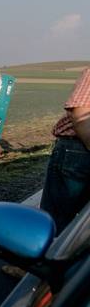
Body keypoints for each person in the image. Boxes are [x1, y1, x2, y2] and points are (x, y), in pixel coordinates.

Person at [40, 67, 90, 234]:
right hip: (81, 148)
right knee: (59, 223)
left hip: (80, 151)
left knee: (60, 220)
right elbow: (81, 113)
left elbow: (81, 113)